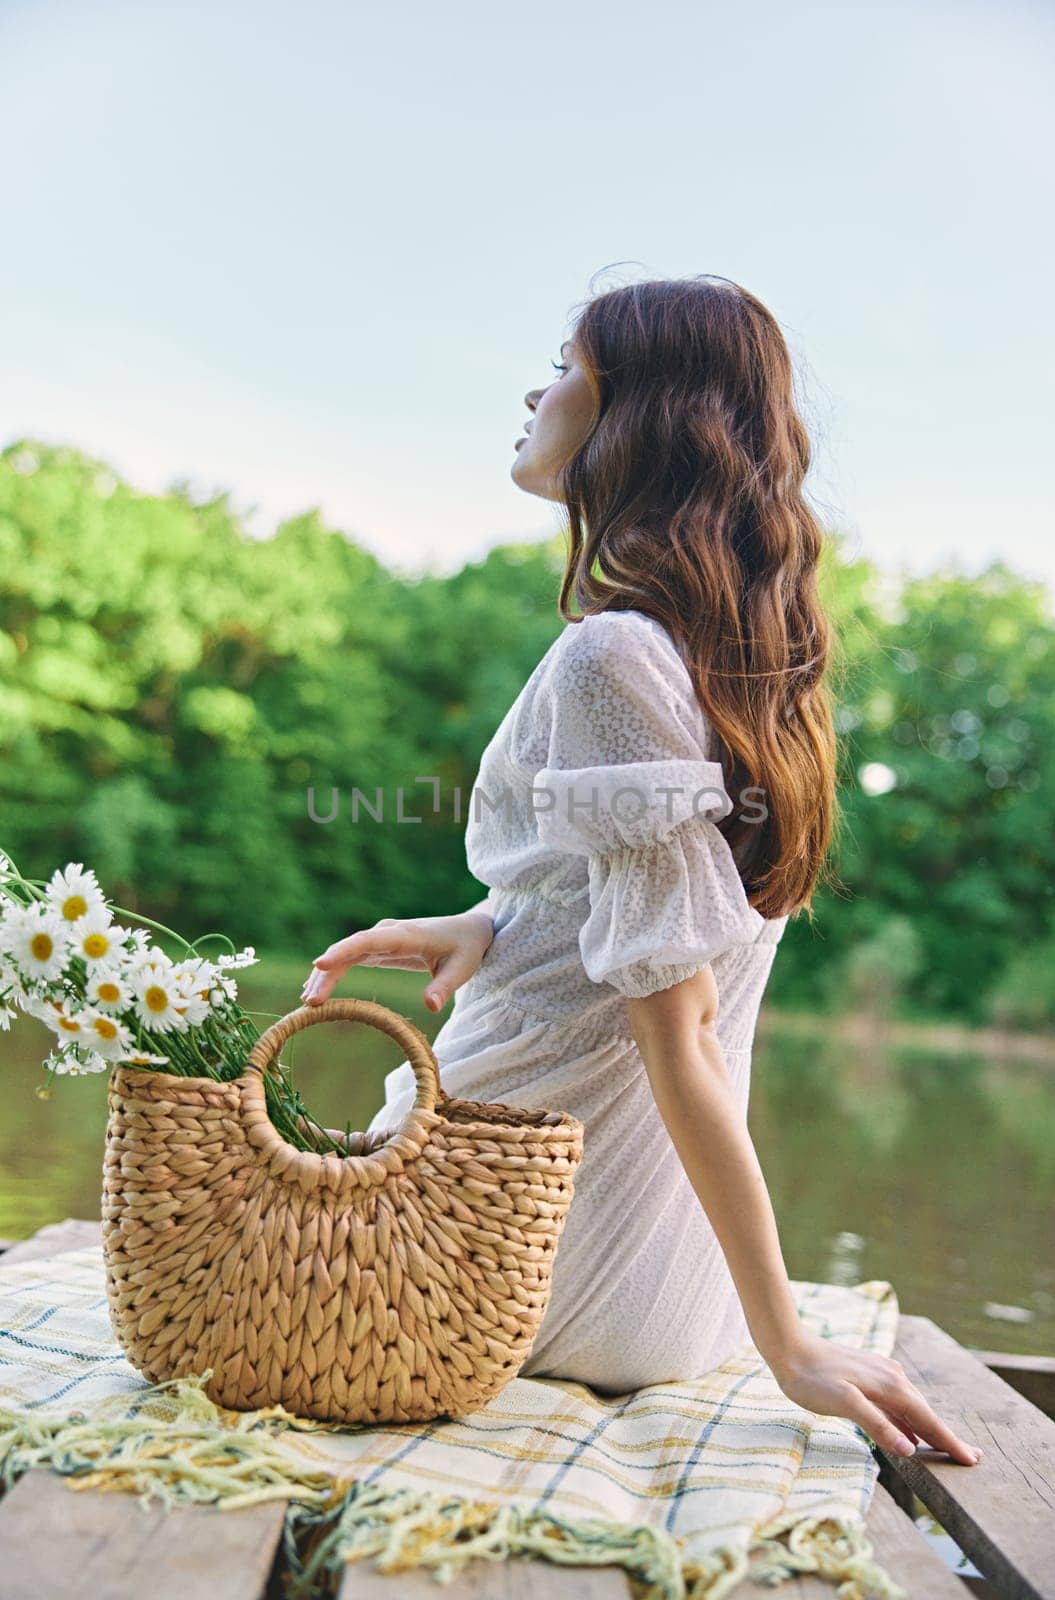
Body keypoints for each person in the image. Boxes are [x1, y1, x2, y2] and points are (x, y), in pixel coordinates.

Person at [300, 275, 982, 1468]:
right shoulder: (740, 672)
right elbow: (654, 919)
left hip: (500, 1257)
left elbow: (679, 1028)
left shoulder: (610, 656)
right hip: (661, 1297)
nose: (533, 389)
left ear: (637, 416)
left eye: (562, 361)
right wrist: (492, 922)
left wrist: (792, 1348)